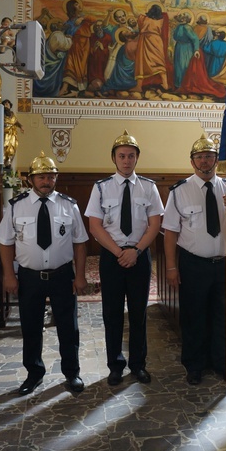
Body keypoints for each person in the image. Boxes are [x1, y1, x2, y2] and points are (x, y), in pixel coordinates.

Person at [0, 151, 89, 395]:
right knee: (31, 327)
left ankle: (72, 372)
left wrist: (79, 275)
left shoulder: (69, 206)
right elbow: (5, 242)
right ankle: (34, 374)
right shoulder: (16, 207)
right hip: (29, 277)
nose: (47, 181)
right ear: (30, 179)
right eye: (42, 177)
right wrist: (8, 275)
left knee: (68, 327)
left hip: (61, 275)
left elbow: (80, 242)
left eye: (51, 176)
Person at [85, 130, 164, 386]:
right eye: (122, 156)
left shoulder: (149, 188)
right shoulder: (101, 188)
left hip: (139, 256)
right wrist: (120, 252)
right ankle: (115, 366)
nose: (127, 161)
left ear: (137, 158)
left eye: (131, 156)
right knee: (112, 313)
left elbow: (155, 224)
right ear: (114, 159)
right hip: (113, 257)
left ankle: (138, 364)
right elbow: (95, 226)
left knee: (139, 313)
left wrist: (136, 251)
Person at [162, 134, 226, 385]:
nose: (205, 161)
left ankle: (221, 363)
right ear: (192, 162)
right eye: (200, 157)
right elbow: (171, 232)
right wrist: (171, 267)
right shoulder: (180, 191)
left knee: (223, 316)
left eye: (209, 156)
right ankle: (194, 365)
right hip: (194, 264)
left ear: (217, 160)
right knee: (194, 316)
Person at [2, 99, 24, 169]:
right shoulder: (1, 114)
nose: (7, 105)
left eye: (8, 104)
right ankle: (3, 161)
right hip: (5, 133)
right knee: (5, 147)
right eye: (5, 104)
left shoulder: (12, 114)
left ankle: (9, 162)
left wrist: (21, 126)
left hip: (12, 134)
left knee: (12, 148)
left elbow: (16, 122)